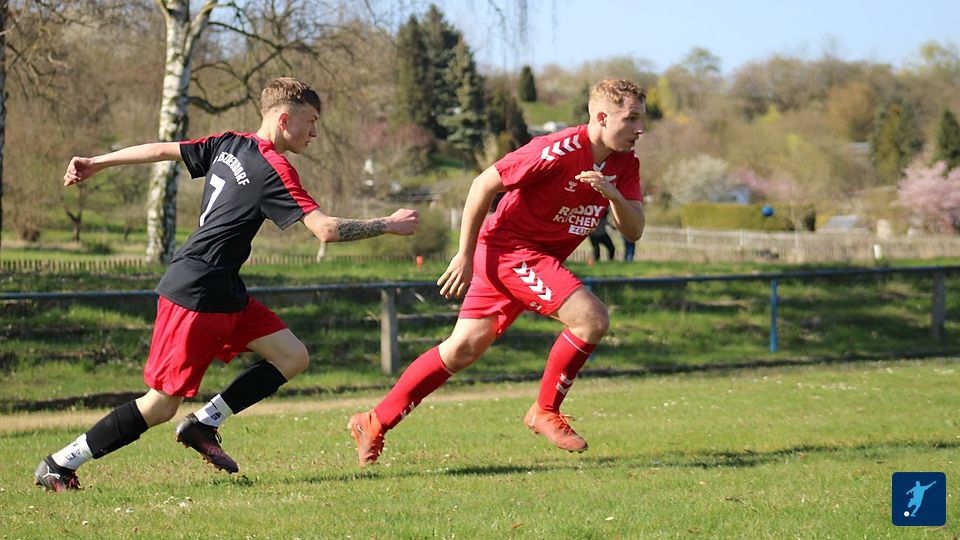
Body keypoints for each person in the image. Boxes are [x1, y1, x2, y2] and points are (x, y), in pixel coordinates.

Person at [34, 77, 419, 491]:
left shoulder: (229, 143)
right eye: (310, 121)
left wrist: (97, 162)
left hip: (224, 291)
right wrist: (388, 224)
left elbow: (161, 150)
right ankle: (60, 463)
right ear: (284, 119)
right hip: (196, 292)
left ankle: (203, 423)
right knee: (160, 404)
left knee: (292, 356)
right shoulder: (274, 168)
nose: (314, 132)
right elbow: (325, 229)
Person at [348, 78, 645, 466]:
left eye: (642, 119)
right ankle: (544, 410)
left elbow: (634, 230)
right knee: (591, 319)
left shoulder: (626, 163)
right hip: (510, 252)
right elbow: (483, 184)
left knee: (462, 348)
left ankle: (373, 421)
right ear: (602, 117)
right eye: (631, 118)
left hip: (529, 259)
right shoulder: (556, 150)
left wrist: (614, 195)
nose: (640, 128)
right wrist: (464, 254)